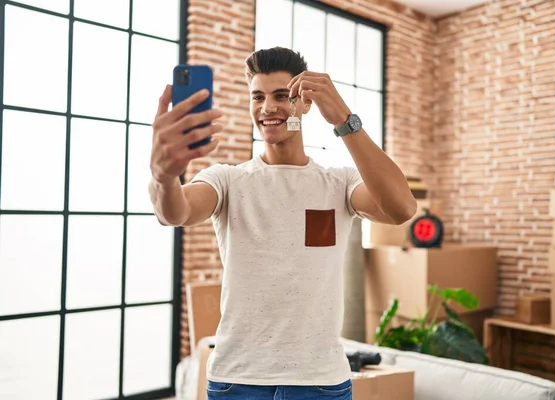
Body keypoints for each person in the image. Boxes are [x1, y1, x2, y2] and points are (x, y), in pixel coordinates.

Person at [149, 47, 417, 399]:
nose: (267, 108)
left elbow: (401, 208)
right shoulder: (228, 180)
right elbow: (175, 213)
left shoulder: (340, 183)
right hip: (237, 381)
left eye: (281, 96)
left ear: (305, 104)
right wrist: (163, 176)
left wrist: (343, 118)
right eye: (257, 97)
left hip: (321, 382)